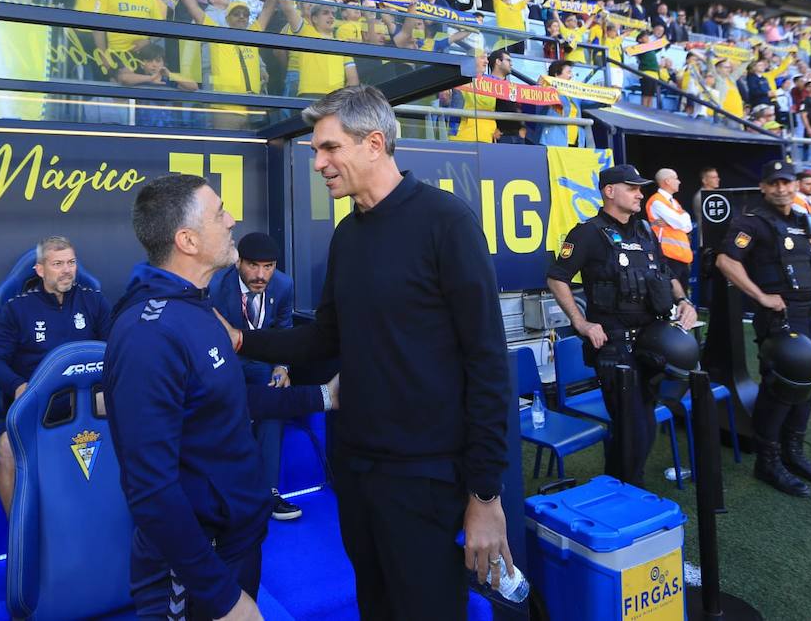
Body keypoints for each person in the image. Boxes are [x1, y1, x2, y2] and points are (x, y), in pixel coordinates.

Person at [215, 86, 511, 619]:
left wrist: (486, 496)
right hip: (354, 471)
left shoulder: (447, 223)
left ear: (374, 143)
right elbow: (325, 337)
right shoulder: (347, 234)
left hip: (424, 480)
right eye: (315, 151)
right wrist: (242, 339)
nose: (318, 163)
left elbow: (487, 363)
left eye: (329, 148)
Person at [105, 175, 337, 621]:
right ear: (188, 240)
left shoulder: (198, 308)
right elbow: (151, 489)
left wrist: (324, 396)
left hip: (237, 541)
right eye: (219, 213)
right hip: (196, 570)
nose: (232, 220)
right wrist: (222, 597)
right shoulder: (147, 335)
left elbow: (230, 402)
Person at [546, 164, 698, 486]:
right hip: (615, 350)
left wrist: (684, 301)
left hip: (651, 346)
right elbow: (557, 278)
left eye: (640, 188)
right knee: (634, 430)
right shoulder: (587, 233)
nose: (640, 194)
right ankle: (628, 490)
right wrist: (581, 323)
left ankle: (619, 486)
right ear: (609, 191)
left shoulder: (645, 231)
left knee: (642, 426)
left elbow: (666, 274)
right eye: (632, 188)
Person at [714, 160, 811, 497]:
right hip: (780, 318)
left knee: (809, 385)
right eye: (774, 183)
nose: (781, 189)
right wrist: (760, 296)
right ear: (764, 187)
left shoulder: (804, 219)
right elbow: (725, 261)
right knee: (781, 388)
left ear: (795, 185)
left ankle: (792, 454)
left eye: (786, 182)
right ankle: (767, 462)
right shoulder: (751, 222)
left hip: (810, 314)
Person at [0, 236, 113, 515]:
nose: (67, 270)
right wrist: (19, 387)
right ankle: (17, 528)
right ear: (40, 269)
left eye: (71, 262)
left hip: (89, 399)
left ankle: (116, 514)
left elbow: (114, 353)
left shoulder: (94, 301)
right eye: (58, 264)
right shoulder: (17, 309)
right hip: (40, 400)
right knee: (6, 448)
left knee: (129, 417)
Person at [208, 232, 301, 521]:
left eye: (268, 266)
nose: (261, 275)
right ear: (238, 262)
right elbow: (205, 336)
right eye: (253, 266)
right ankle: (223, 496)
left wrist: (282, 367)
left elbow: (284, 330)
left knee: (274, 400)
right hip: (223, 362)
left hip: (261, 363)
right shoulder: (216, 285)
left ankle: (269, 492)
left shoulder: (283, 285)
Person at [646, 168, 694, 292]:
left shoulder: (674, 202)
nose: (679, 182)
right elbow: (679, 222)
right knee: (672, 295)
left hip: (681, 256)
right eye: (676, 178)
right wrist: (679, 219)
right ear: (667, 181)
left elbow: (687, 225)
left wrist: (675, 221)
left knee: (683, 296)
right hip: (667, 255)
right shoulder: (656, 201)